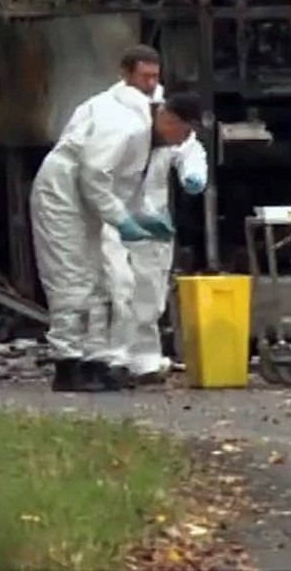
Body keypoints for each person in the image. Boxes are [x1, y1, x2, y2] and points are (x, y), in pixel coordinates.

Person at [31, 46, 202, 392]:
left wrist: (140, 218)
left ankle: (94, 361)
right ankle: (67, 365)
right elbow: (92, 175)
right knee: (71, 278)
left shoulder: (148, 132)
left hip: (87, 202)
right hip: (63, 196)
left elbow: (120, 186)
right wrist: (122, 221)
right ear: (168, 118)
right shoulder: (125, 125)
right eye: (181, 133)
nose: (179, 142)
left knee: (100, 280)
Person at [101, 84, 208, 383]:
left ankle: (144, 359)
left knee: (150, 289)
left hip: (152, 215)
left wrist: (192, 173)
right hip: (115, 213)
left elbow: (189, 149)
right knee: (119, 285)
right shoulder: (129, 126)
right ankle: (115, 356)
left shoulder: (173, 128)